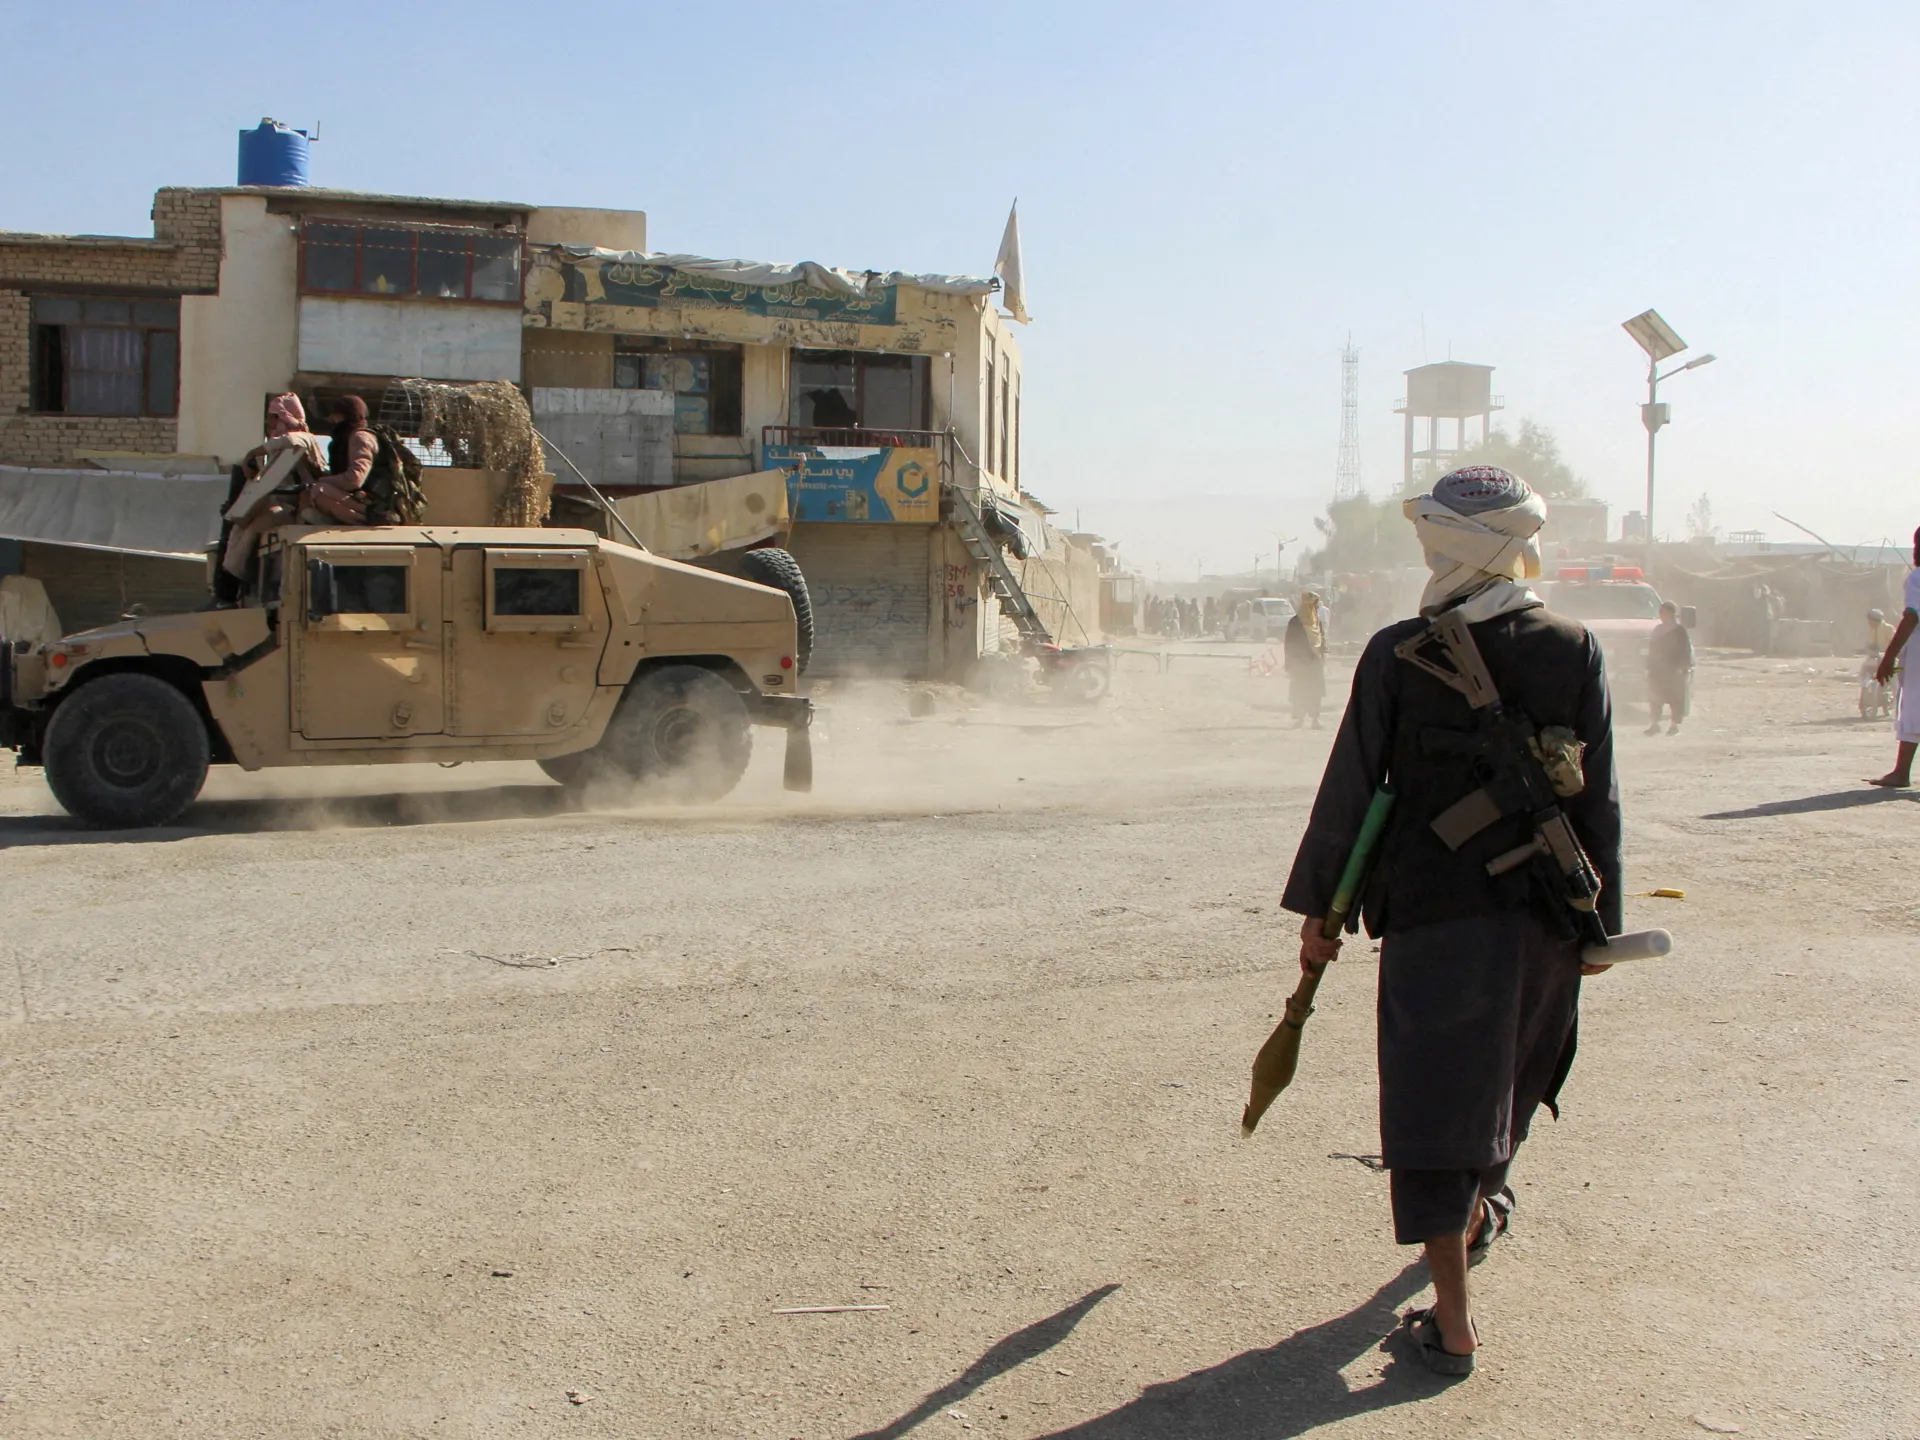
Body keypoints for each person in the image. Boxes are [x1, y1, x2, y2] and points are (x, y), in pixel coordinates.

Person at [1280, 465, 1621, 1377]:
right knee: (1507, 1084)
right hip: (1544, 919)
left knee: (1437, 1109)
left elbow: (1352, 786)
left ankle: (1456, 1320)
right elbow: (1599, 801)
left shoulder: (1398, 652)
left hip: (1433, 917)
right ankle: (1476, 1215)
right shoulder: (1572, 647)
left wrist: (1322, 912)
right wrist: (1600, 925)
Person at [216, 393, 333, 600]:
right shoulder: (275, 450)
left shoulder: (303, 438)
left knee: (253, 531)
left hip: (298, 509)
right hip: (279, 505)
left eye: (272, 417)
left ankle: (238, 584)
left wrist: (253, 453)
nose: (268, 423)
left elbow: (290, 440)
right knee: (238, 530)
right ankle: (231, 588)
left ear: (283, 416)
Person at [1867, 528, 1920, 788]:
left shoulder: (1917, 578)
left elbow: (1912, 616)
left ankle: (1901, 773)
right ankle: (1900, 772)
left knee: (1913, 707)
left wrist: (1889, 657)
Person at [1644, 601, 1693, 735]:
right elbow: (1652, 650)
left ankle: (1674, 726)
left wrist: (1683, 667)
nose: (1660, 615)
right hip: (1658, 670)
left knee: (1676, 698)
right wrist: (1649, 667)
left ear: (1671, 613)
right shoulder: (1657, 630)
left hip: (1674, 670)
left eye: (1662, 612)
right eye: (1659, 612)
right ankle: (1655, 724)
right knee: (1655, 697)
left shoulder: (1679, 631)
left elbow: (1685, 650)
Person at [1283, 591, 1328, 727]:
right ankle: (1300, 718)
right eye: (1315, 604)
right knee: (1300, 690)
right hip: (1300, 662)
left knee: (1315, 691)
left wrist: (1323, 651)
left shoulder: (1316, 621)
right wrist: (1289, 662)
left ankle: (1315, 719)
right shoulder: (1295, 622)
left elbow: (1321, 639)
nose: (1317, 607)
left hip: (1314, 662)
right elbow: (1289, 643)